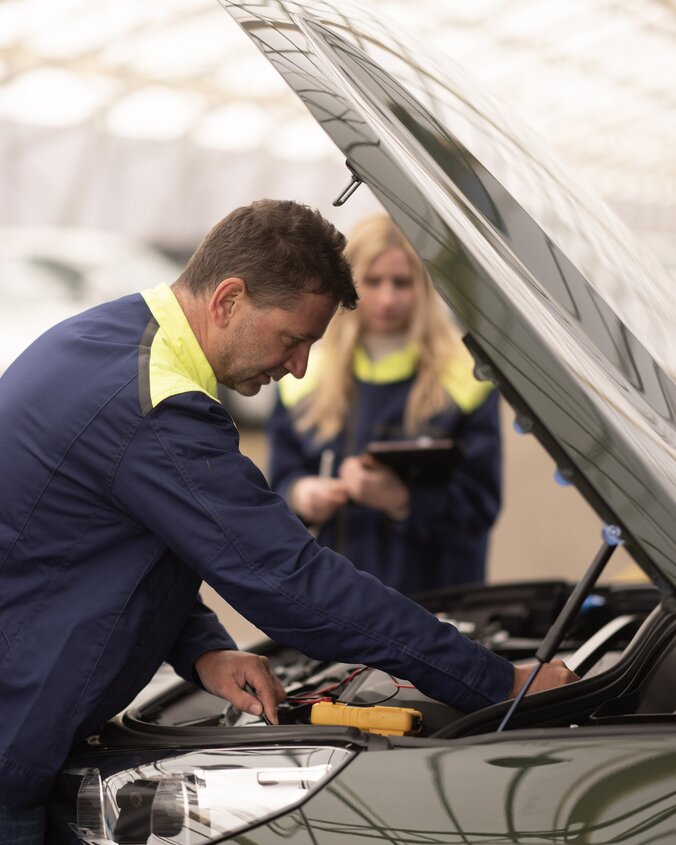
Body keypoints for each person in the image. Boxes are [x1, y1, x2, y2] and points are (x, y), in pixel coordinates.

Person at [0, 199, 576, 841]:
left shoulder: (113, 339)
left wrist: (205, 649)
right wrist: (496, 681)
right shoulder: (153, 406)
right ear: (228, 300)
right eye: (293, 338)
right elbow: (289, 582)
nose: (299, 366)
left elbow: (110, 541)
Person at [267, 213, 501, 596]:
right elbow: (277, 483)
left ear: (425, 285)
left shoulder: (467, 379)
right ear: (346, 284)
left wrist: (402, 500)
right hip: (334, 600)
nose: (388, 298)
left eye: (402, 283)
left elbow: (481, 506)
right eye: (373, 282)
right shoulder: (303, 376)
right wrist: (301, 495)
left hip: (439, 604)